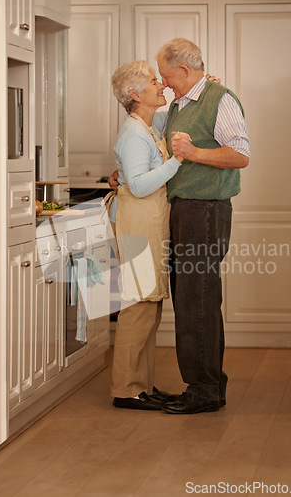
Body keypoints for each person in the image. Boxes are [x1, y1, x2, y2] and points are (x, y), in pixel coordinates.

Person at [109, 39, 250, 414]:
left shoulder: (216, 99)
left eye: (167, 76)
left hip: (204, 211)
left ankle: (203, 389)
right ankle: (198, 386)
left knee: (196, 301)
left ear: (184, 71)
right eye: (158, 80)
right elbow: (140, 146)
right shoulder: (175, 108)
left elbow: (241, 154)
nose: (165, 84)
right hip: (177, 214)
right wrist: (123, 171)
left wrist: (193, 153)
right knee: (187, 302)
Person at [107, 60, 184, 410]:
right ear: (136, 95)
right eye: (154, 81)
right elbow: (137, 186)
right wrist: (178, 161)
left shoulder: (148, 125)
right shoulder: (136, 134)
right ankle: (126, 390)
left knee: (148, 307)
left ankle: (143, 386)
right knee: (138, 307)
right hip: (138, 223)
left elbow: (177, 112)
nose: (161, 85)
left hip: (147, 224)